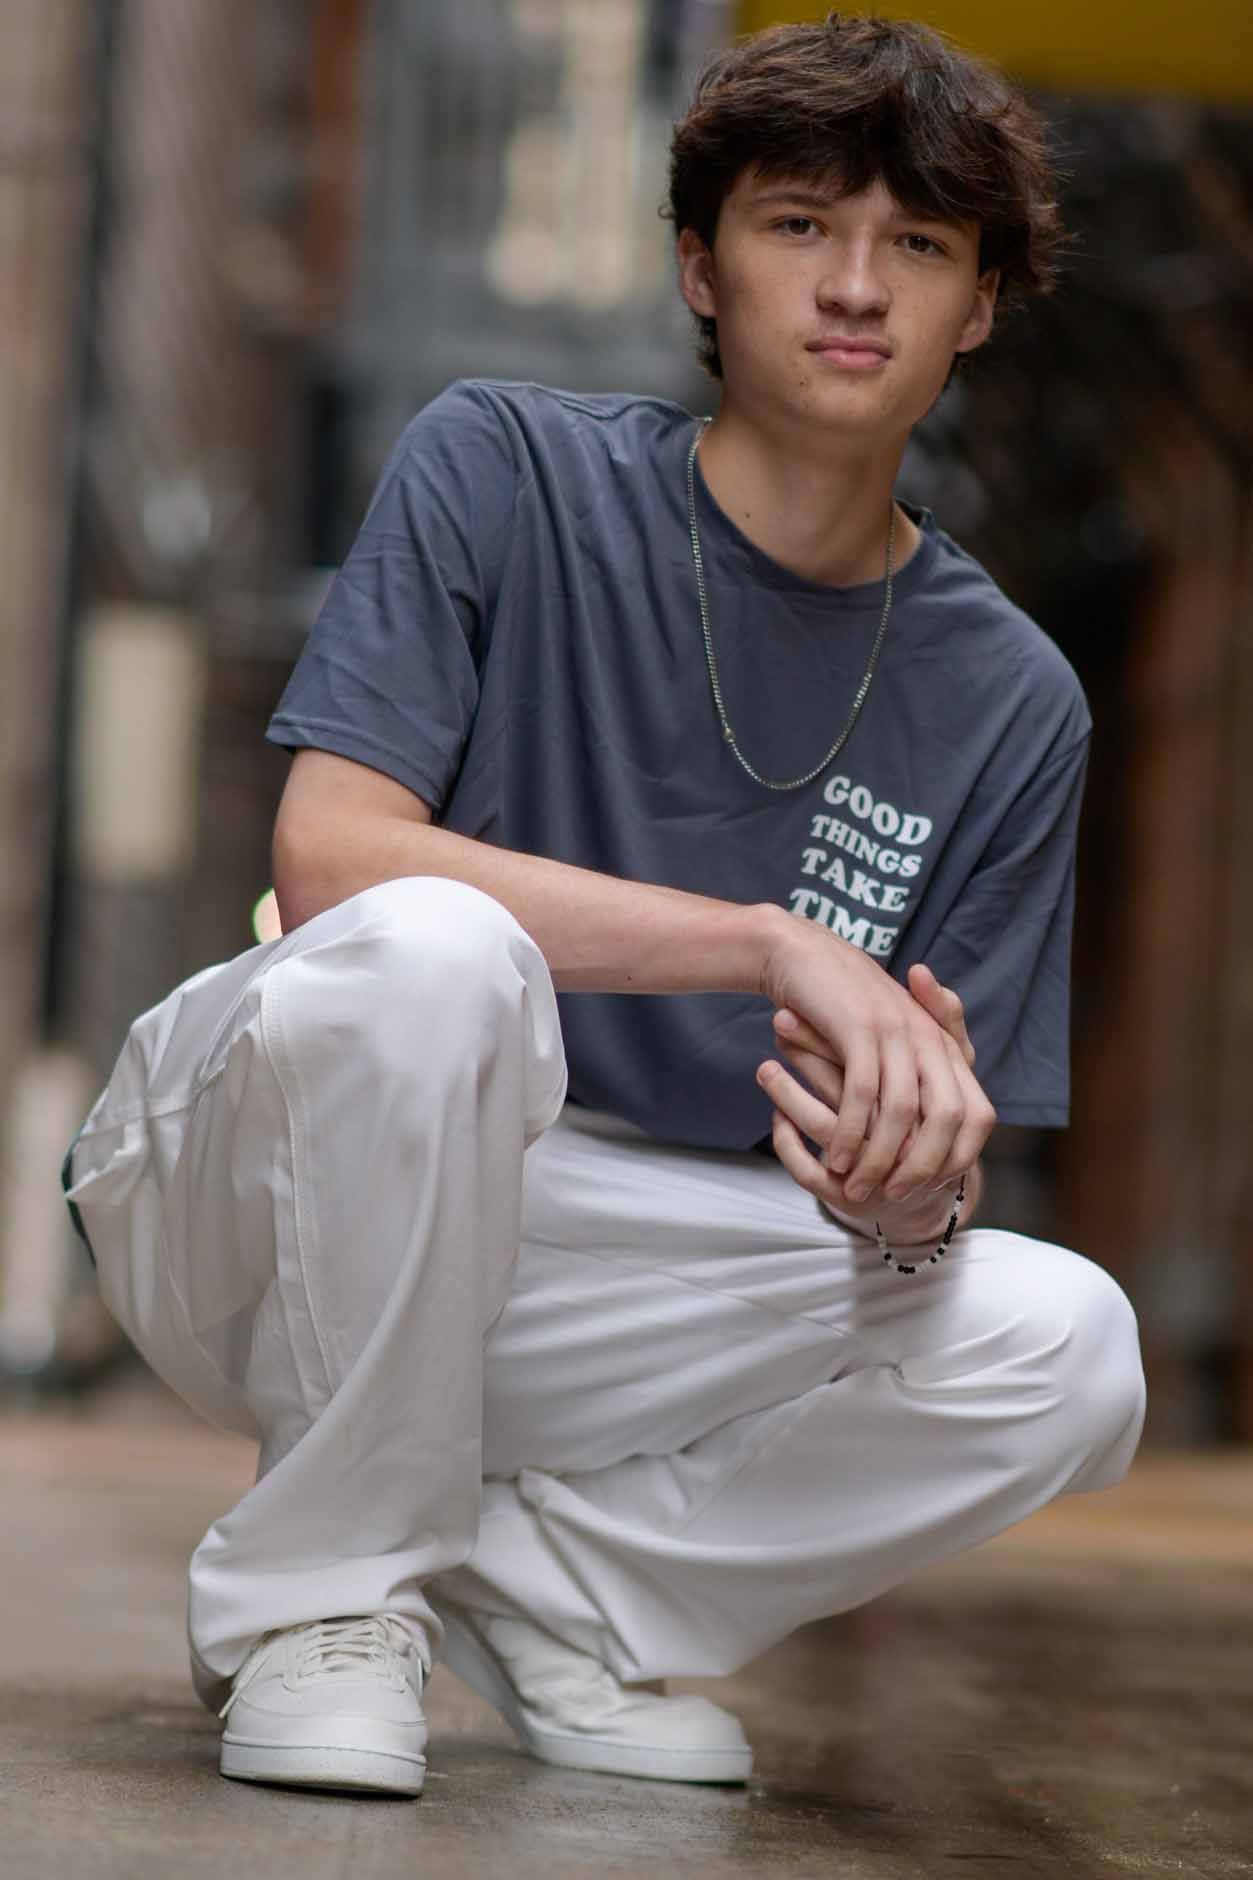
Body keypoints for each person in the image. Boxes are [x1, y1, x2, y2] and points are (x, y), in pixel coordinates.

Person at [63, 12, 1146, 1801]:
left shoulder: (1012, 697)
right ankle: (322, 1606)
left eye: (921, 246)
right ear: (699, 269)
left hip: (591, 1287)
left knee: (1064, 1343)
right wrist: (768, 938)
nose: (856, 285)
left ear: (979, 307)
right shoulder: (506, 465)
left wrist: (908, 1192)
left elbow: (930, 1200)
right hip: (266, 1201)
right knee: (429, 955)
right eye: (799, 225)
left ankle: (558, 1589)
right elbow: (331, 855)